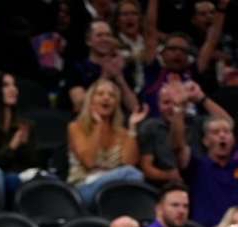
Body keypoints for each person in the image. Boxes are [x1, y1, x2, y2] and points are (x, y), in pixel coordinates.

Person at [67, 78, 147, 206]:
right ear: (90, 100)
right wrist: (98, 126)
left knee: (131, 174)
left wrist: (132, 128)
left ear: (116, 103)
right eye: (100, 94)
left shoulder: (122, 133)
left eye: (112, 95)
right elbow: (89, 162)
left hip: (114, 188)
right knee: (132, 174)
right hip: (83, 188)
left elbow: (128, 162)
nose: (106, 98)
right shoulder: (76, 127)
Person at [138, 80, 231, 186]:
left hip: (201, 181)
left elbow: (228, 124)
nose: (172, 107)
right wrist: (169, 176)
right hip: (164, 186)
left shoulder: (197, 122)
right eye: (166, 102)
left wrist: (201, 98)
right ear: (158, 105)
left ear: (186, 104)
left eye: (175, 103)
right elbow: (147, 167)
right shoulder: (151, 127)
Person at [66, 21, 139, 114]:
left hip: (118, 121)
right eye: (99, 35)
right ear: (88, 41)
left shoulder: (121, 68)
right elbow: (80, 105)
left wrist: (119, 77)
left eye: (108, 35)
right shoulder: (77, 68)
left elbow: (134, 108)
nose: (105, 39)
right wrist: (105, 76)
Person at [179, 116, 238, 227]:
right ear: (205, 141)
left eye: (227, 132)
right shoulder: (196, 166)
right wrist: (179, 111)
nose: (222, 135)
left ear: (233, 139)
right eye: (216, 132)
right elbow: (178, 146)